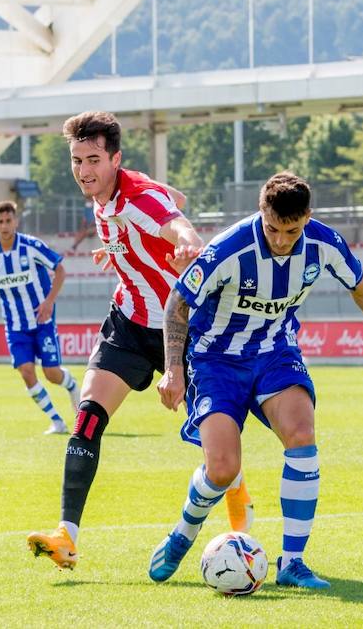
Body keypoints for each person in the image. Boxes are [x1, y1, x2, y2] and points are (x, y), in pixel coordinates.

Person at [146, 172, 363, 589]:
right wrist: (174, 370)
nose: (282, 240)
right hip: (217, 360)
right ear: (261, 212)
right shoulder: (229, 249)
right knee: (223, 467)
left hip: (275, 353)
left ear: (307, 217)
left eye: (292, 230)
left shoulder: (324, 243)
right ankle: (184, 533)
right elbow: (178, 303)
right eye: (273, 228)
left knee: (302, 436)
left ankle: (293, 563)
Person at [26, 110, 253, 570]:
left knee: (217, 448)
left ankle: (242, 527)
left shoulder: (137, 198)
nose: (84, 170)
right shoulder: (105, 192)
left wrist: (187, 242)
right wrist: (117, 251)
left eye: (93, 159)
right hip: (128, 323)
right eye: (76, 160)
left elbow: (173, 219)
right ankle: (65, 537)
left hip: (182, 328)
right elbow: (175, 197)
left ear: (115, 159)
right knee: (87, 416)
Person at [0, 201, 78, 433]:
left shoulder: (31, 246)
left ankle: (72, 385)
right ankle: (57, 421)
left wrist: (49, 301)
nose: (4, 226)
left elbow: (60, 269)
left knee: (52, 374)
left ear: (16, 221)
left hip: (42, 321)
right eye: (0, 222)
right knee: (26, 371)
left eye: (8, 220)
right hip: (15, 325)